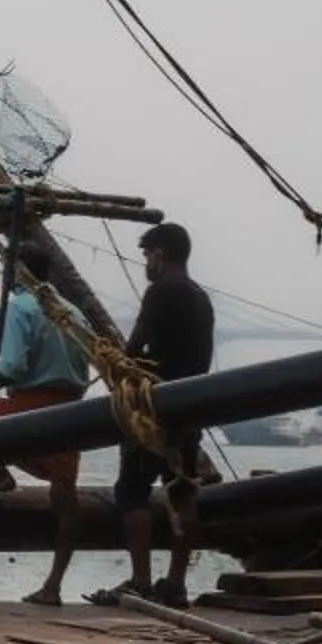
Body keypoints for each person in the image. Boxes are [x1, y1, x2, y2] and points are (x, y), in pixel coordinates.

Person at [90, 221, 216, 609]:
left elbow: (134, 347)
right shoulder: (200, 297)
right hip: (191, 403)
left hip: (154, 407)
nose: (145, 263)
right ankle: (176, 584)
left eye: (146, 256)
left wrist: (114, 362)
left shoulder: (160, 291)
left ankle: (141, 580)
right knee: (182, 489)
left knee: (132, 491)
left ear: (160, 255)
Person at [0, 237, 94, 605]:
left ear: (17, 272)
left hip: (30, 409)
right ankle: (53, 585)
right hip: (70, 413)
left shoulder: (21, 305)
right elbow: (86, 362)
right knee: (65, 499)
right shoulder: (73, 311)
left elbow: (12, 367)